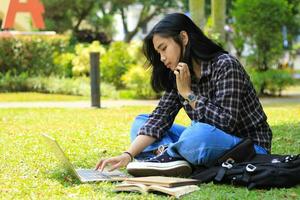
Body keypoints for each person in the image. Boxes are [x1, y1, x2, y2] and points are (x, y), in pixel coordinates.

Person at [95, 13, 272, 176]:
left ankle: (169, 156)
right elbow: (160, 118)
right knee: (140, 122)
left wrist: (188, 93)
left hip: (249, 147)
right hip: (207, 141)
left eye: (164, 48)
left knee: (198, 134)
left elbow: (226, 123)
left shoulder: (225, 65)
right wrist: (128, 155)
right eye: (159, 52)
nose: (162, 58)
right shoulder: (178, 72)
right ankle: (173, 156)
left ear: (184, 38)